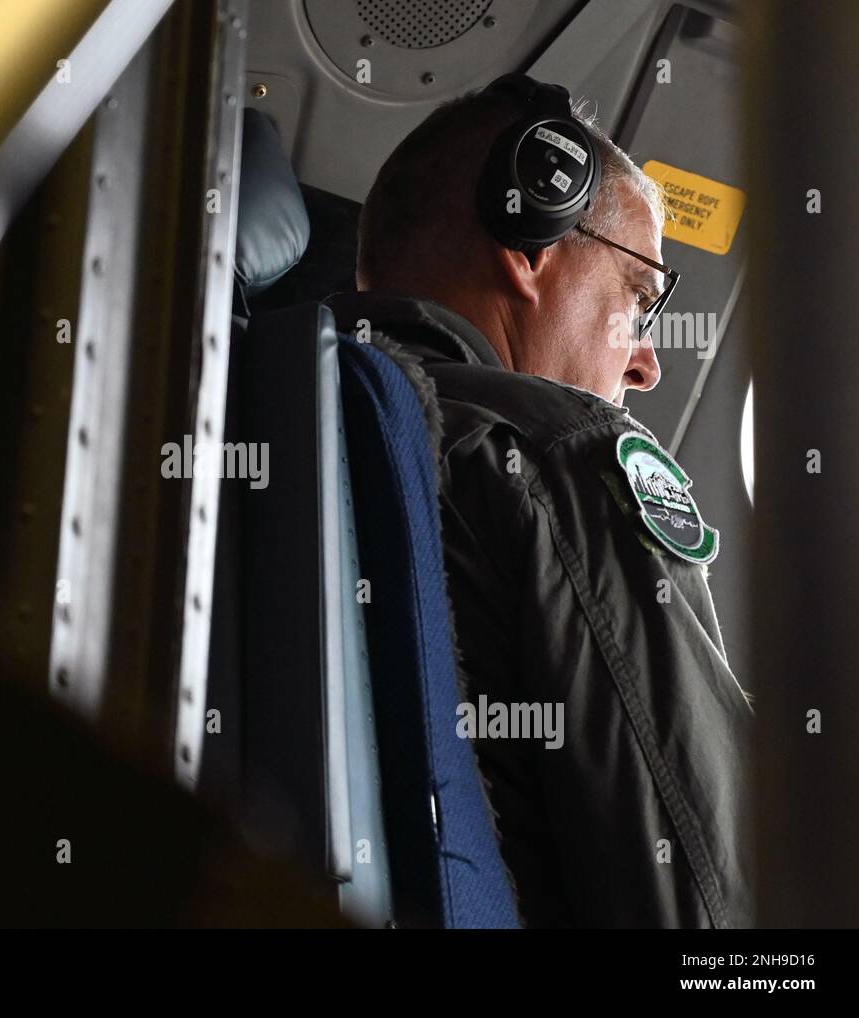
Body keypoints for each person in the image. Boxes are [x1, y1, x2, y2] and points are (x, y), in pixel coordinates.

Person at [325, 75, 753, 928]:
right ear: (530, 244)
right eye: (639, 298)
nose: (647, 365)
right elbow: (721, 918)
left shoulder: (321, 407)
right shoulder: (559, 452)